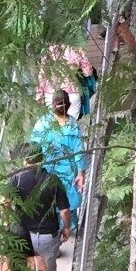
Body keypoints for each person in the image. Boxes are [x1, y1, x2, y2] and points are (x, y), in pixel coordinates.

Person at [7, 144, 70, 271]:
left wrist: (6, 223)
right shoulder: (52, 180)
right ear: (41, 158)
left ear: (25, 160)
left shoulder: (16, 180)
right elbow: (64, 211)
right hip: (48, 235)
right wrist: (66, 228)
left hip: (23, 237)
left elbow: (4, 202)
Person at [30, 91, 88, 227]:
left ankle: (51, 227)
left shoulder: (43, 122)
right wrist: (81, 173)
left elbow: (33, 146)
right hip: (67, 171)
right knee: (67, 199)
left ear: (52, 105)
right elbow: (79, 151)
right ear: (68, 105)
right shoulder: (73, 125)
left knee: (48, 197)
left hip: (47, 169)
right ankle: (69, 226)